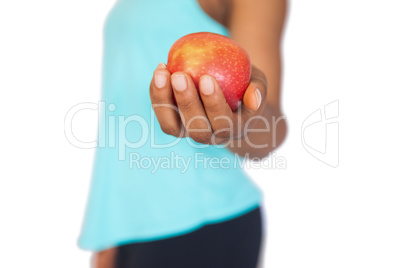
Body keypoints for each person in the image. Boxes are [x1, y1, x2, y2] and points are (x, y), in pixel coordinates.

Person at [78, 0, 287, 267]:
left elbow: (271, 128)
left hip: (203, 226)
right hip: (128, 228)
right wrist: (108, 231)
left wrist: (241, 124)